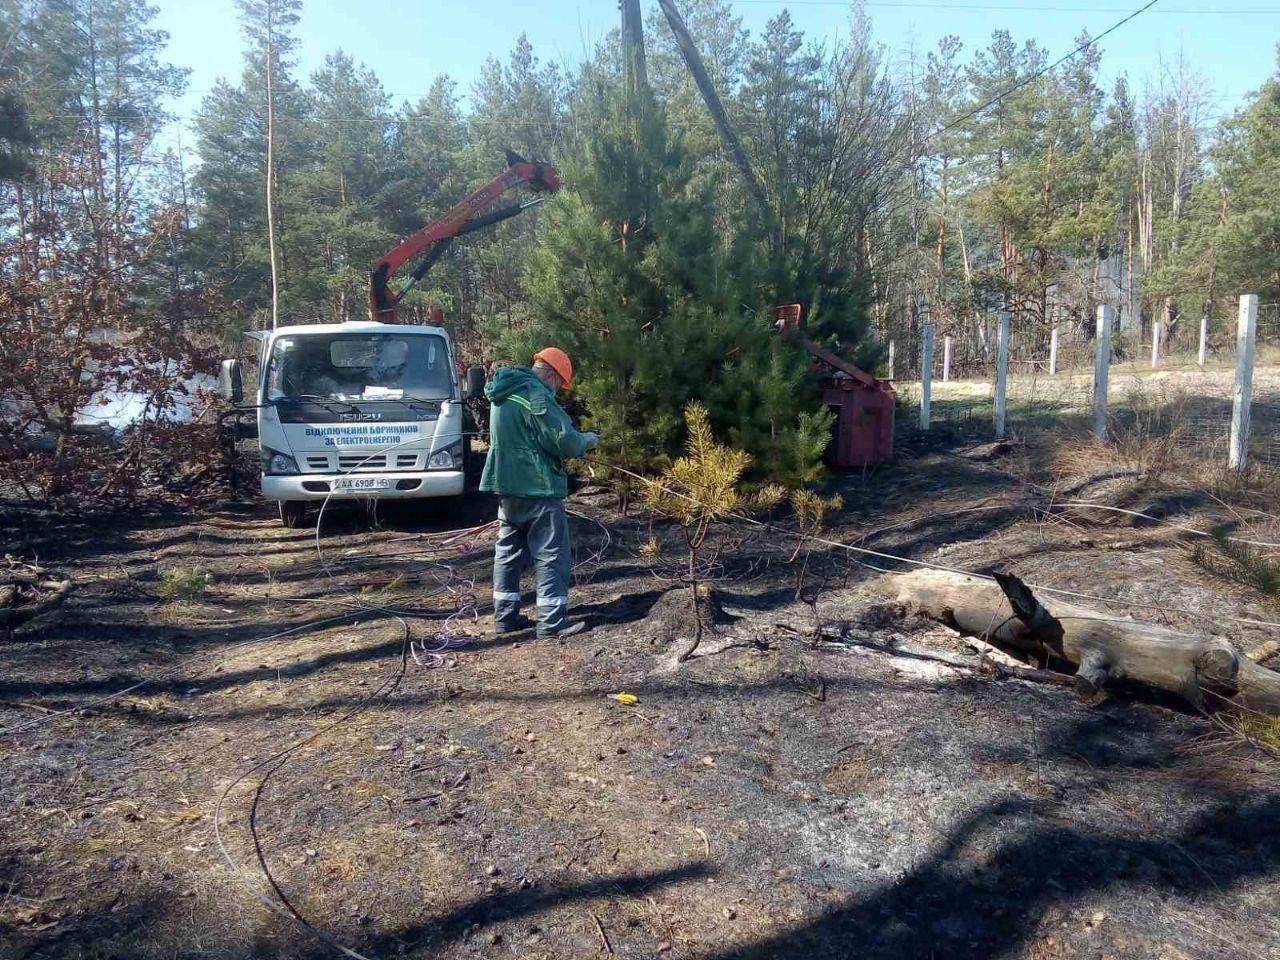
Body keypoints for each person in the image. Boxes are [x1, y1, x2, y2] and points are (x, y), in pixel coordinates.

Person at [480, 347, 599, 638]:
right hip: (537, 484)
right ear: (552, 375)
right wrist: (588, 439)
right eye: (559, 384)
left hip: (505, 484)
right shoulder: (536, 393)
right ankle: (551, 623)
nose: (558, 391)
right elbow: (565, 442)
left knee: (508, 551)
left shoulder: (503, 392)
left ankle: (505, 618)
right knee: (550, 554)